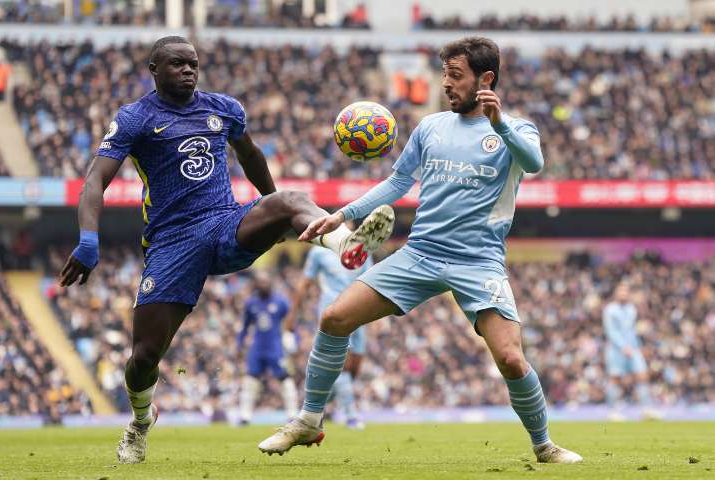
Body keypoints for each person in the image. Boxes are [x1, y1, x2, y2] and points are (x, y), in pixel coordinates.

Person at [58, 35, 395, 464]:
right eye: (178, 64)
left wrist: (276, 215)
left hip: (225, 223)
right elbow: (94, 181)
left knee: (291, 198)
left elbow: (251, 155)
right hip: (172, 242)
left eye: (193, 64)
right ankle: (141, 421)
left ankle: (344, 242)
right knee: (143, 358)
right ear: (154, 69)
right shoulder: (135, 118)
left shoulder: (223, 108)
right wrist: (88, 239)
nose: (188, 71)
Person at [259, 36, 582, 464]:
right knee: (335, 317)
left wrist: (499, 122)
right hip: (421, 253)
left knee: (510, 358)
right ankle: (308, 421)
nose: (445, 84)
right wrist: (342, 215)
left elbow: (535, 162)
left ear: (485, 79)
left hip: (478, 260)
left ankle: (544, 446)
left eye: (455, 75)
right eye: (444, 74)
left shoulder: (517, 128)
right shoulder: (430, 127)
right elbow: (397, 183)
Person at [283, 240, 373, 429]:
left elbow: (372, 280)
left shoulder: (364, 249)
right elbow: (305, 283)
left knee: (354, 368)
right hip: (333, 311)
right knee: (341, 366)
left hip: (360, 311)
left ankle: (314, 408)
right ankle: (351, 416)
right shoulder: (319, 252)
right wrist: (292, 314)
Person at [236, 271, 298, 424]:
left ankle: (292, 414)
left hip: (275, 348)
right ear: (256, 284)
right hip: (257, 348)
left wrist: (294, 339)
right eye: (260, 282)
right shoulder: (251, 303)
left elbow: (291, 323)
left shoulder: (281, 302)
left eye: (266, 281)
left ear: (271, 283)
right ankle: (245, 416)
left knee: (285, 379)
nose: (263, 284)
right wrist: (239, 343)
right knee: (250, 381)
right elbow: (245, 326)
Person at [603, 282, 657, 419]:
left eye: (625, 291)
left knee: (642, 376)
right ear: (616, 293)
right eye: (621, 291)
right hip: (616, 350)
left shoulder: (632, 309)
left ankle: (646, 410)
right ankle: (613, 412)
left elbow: (631, 331)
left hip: (633, 349)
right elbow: (611, 331)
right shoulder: (610, 310)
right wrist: (622, 346)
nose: (623, 294)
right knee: (615, 379)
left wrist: (638, 347)